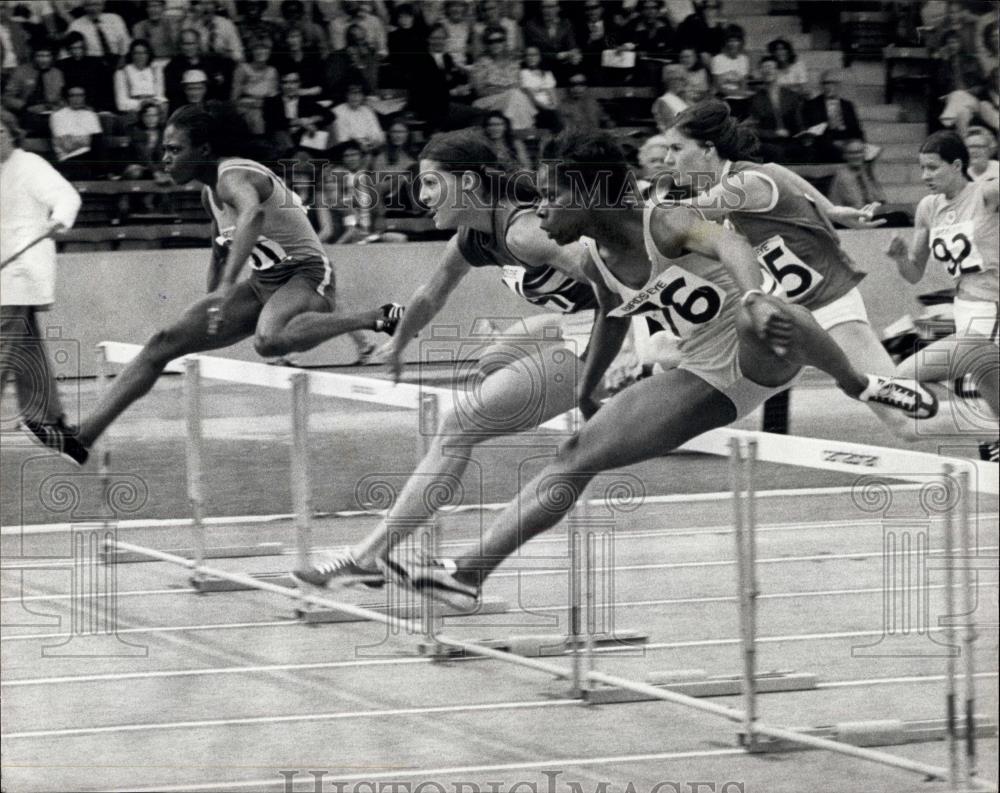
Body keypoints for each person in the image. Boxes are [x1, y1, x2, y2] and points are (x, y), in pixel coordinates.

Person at [379, 129, 943, 608]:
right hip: (702, 369)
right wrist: (587, 387)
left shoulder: (663, 221)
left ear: (586, 193)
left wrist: (751, 298)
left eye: (550, 197)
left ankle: (861, 382)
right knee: (576, 454)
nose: (540, 210)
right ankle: (468, 575)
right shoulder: (595, 256)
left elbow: (729, 245)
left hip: (763, 346)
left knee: (765, 314)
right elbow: (609, 315)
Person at [291, 127, 604, 590]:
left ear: (470, 184)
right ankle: (376, 557)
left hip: (617, 325)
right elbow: (431, 293)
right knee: (487, 370)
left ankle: (369, 557)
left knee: (460, 425)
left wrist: (632, 344)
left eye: (432, 183)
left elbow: (609, 272)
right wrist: (398, 346)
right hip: (582, 321)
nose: (421, 195)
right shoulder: (471, 238)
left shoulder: (523, 232)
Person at [22, 103, 403, 465]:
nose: (165, 158)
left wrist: (224, 288)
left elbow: (252, 216)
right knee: (162, 343)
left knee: (269, 340)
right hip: (261, 285)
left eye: (175, 149)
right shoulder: (209, 193)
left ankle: (374, 318)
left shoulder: (233, 175)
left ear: (203, 149)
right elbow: (220, 247)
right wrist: (211, 299)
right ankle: (81, 439)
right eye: (164, 149)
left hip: (308, 275)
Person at [665, 99, 939, 438]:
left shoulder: (741, 185)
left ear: (707, 149)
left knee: (906, 425)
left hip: (830, 305)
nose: (668, 160)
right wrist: (832, 208)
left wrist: (616, 202)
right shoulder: (750, 174)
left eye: (677, 148)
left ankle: (988, 426)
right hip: (792, 312)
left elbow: (677, 217)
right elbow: (779, 171)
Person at [886, 131, 999, 461]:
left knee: (904, 375)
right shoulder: (928, 207)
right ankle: (990, 435)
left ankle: (990, 435)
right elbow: (913, 274)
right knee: (986, 399)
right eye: (921, 168)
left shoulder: (986, 194)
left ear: (957, 165)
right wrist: (898, 258)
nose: (925, 177)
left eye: (933, 168)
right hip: (964, 309)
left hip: (991, 311)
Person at [1, 112, 81, 441]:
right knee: (26, 346)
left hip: (22, 272)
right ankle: (46, 417)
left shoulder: (30, 164)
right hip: (5, 272)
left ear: (12, 134)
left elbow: (67, 196)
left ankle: (45, 416)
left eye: (0, 131)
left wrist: (58, 219)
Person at [114, 39, 167, 115]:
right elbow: (121, 104)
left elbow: (160, 96)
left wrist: (155, 104)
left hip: (154, 111)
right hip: (133, 112)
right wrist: (142, 103)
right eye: (136, 53)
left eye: (144, 53)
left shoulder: (155, 70)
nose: (140, 56)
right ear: (131, 54)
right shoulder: (122, 73)